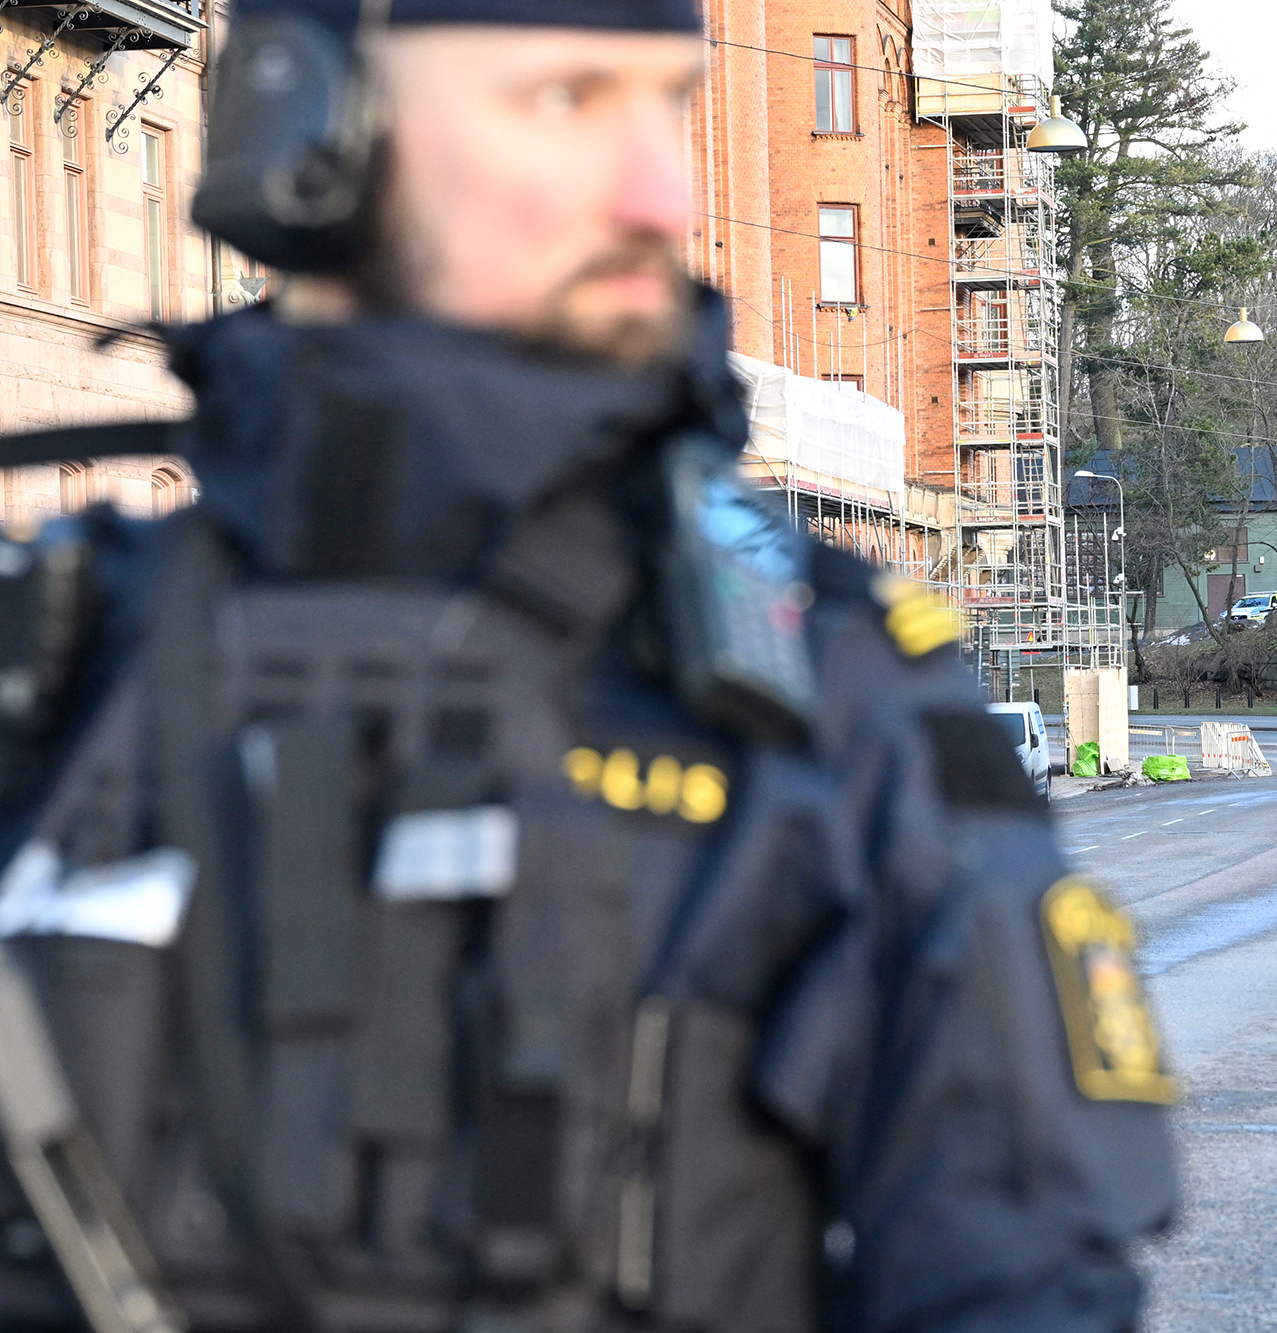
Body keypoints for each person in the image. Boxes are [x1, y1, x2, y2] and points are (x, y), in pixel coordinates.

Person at [0, 3, 1176, 1330]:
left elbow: (1023, 1284)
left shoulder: (829, 690)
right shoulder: (61, 662)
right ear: (307, 127)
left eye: (665, 106)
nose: (659, 191)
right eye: (567, 100)